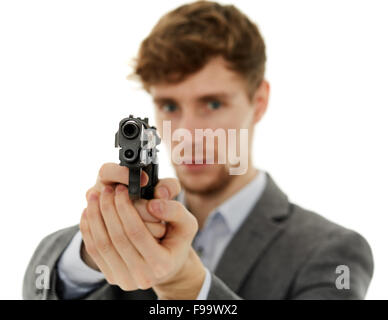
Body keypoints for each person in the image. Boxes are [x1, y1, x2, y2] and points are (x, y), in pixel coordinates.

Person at [23, 0, 373, 300]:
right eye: (170, 107)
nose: (188, 134)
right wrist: (94, 250)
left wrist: (188, 288)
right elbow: (38, 280)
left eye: (213, 104)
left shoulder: (331, 251)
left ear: (259, 102)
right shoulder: (137, 226)